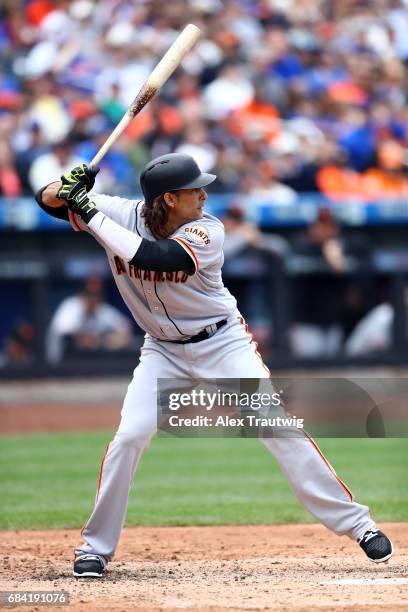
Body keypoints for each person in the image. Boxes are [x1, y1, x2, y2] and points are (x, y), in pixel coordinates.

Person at [35, 154, 393, 578]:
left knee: (276, 424)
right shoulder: (120, 212)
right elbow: (47, 202)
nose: (204, 194)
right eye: (194, 190)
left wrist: (87, 207)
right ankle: (94, 548)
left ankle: (360, 525)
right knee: (130, 436)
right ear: (169, 198)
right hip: (162, 351)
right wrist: (70, 186)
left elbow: (155, 258)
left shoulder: (209, 229)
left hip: (222, 342)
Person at [46, 276, 133, 364]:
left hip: (88, 363)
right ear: (82, 294)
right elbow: (65, 332)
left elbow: (125, 327)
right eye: (89, 295)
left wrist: (107, 340)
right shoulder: (71, 306)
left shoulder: (102, 309)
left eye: (96, 295)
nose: (93, 299)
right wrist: (91, 339)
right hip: (59, 362)